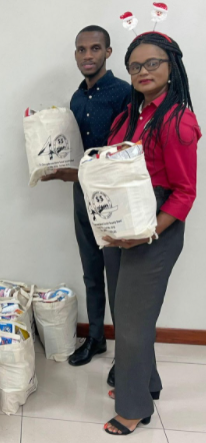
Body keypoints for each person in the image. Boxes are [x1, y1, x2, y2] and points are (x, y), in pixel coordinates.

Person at [103, 32, 200, 435]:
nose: (143, 71)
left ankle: (134, 407)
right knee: (127, 314)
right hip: (118, 227)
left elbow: (185, 192)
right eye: (135, 66)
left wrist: (146, 233)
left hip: (155, 228)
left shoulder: (178, 121)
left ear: (171, 66)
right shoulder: (131, 114)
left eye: (152, 63)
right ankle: (147, 382)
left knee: (131, 322)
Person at [41, 26, 131, 372]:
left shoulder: (125, 93)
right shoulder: (77, 99)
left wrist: (81, 172)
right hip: (81, 194)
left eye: (95, 48)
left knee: (118, 278)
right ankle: (96, 337)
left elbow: (127, 152)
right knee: (91, 271)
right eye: (81, 49)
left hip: (113, 198)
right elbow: (73, 148)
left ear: (108, 52)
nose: (87, 55)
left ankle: (126, 355)